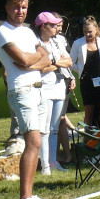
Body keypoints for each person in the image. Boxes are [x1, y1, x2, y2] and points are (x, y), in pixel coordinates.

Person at [0, 0, 54, 199]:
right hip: (22, 90)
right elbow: (21, 59)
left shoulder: (28, 32)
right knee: (34, 141)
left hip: (38, 89)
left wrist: (33, 61)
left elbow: (45, 58)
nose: (20, 11)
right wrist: (34, 59)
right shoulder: (2, 32)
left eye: (24, 7)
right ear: (8, 8)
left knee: (36, 142)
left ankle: (29, 195)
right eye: (17, 7)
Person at [34, 12, 72, 174]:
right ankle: (45, 166)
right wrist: (56, 64)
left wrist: (53, 62)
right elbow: (40, 66)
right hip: (45, 87)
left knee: (55, 128)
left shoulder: (57, 42)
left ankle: (53, 162)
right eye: (53, 25)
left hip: (59, 87)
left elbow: (69, 62)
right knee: (45, 129)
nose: (57, 28)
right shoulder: (35, 43)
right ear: (44, 26)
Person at [70, 16, 100, 131]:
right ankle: (87, 139)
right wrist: (80, 70)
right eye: (85, 32)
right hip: (86, 81)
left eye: (90, 32)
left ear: (96, 30)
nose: (87, 34)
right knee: (89, 112)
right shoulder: (78, 43)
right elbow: (70, 62)